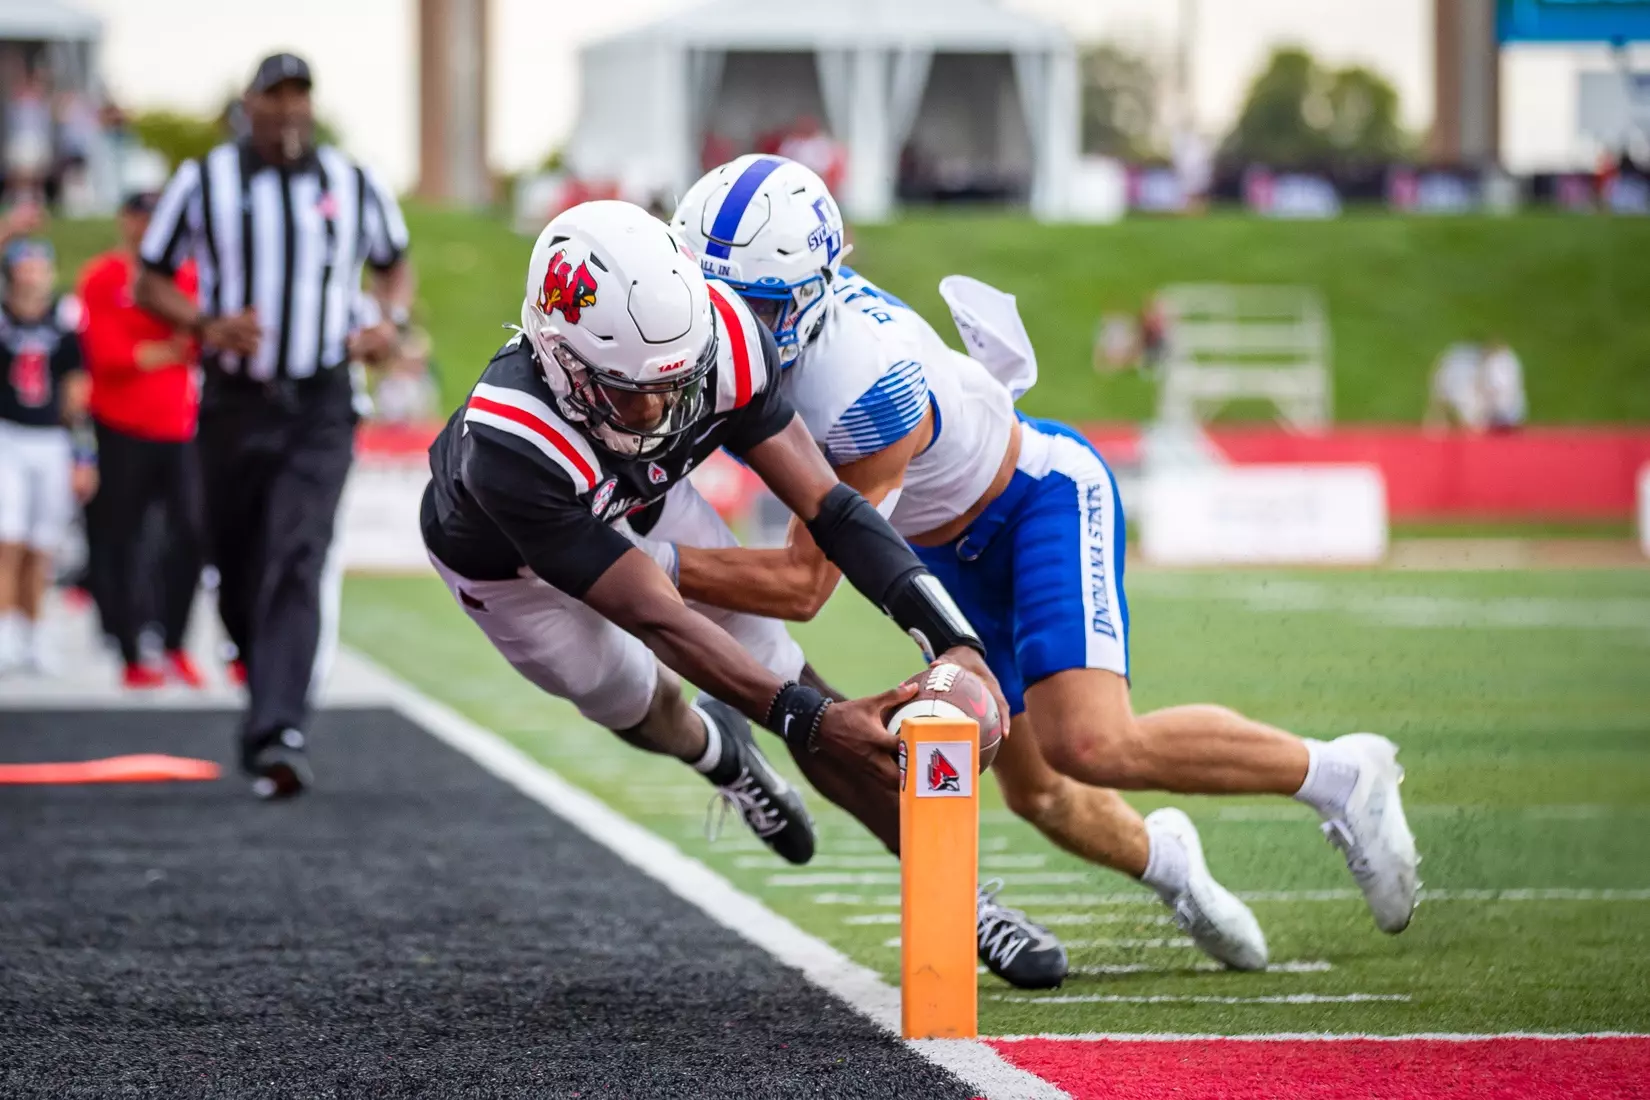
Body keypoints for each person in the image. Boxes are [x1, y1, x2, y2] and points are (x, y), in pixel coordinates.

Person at [668, 156, 1423, 980]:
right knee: (1036, 794)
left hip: (1030, 503)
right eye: (710, 299)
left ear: (816, 289)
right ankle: (1170, 863)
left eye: (755, 305)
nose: (725, 324)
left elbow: (802, 586)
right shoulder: (734, 338)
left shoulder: (862, 384)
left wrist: (634, 561)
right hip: (930, 549)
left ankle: (1340, 774)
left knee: (1092, 742)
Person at [422, 199, 1006, 890]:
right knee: (634, 700)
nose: (657, 411)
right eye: (627, 391)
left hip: (641, 505)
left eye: (676, 383)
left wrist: (948, 634)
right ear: (558, 356)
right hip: (507, 570)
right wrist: (813, 721)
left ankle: (953, 899)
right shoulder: (511, 446)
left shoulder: (723, 338)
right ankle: (718, 756)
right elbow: (658, 617)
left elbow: (831, 508)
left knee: (786, 673)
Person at [134, 53, 410, 798]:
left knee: (298, 550)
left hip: (322, 401)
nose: (289, 109)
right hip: (233, 400)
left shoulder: (352, 182)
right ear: (248, 103)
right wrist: (206, 323)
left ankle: (280, 729)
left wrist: (390, 321)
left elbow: (394, 265)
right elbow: (148, 276)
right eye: (275, 95)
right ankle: (265, 687)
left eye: (300, 96)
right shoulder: (204, 181)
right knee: (234, 559)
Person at [78, 191, 204, 689]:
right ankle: (129, 649)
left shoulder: (188, 274)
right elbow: (107, 354)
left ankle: (173, 641)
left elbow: (198, 339)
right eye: (140, 217)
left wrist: (155, 351)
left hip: (178, 425)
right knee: (123, 537)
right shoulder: (103, 277)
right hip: (120, 424)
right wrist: (160, 350)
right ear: (125, 220)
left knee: (192, 533)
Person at [0, 239, 89, 673]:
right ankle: (6, 628)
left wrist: (83, 455)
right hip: (7, 435)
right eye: (26, 265)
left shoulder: (65, 317)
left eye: (40, 265)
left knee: (42, 541)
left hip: (50, 438)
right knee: (7, 537)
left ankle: (35, 630)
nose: (33, 273)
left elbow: (77, 389)